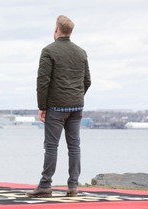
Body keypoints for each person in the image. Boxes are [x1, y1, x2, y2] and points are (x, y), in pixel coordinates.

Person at [26, 15, 91, 198]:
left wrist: (42, 106)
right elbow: (87, 81)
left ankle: (45, 185)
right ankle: (73, 186)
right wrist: (76, 96)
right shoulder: (81, 52)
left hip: (56, 107)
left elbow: (43, 81)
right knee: (74, 146)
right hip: (76, 107)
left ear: (56, 30)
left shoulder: (49, 51)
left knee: (52, 146)